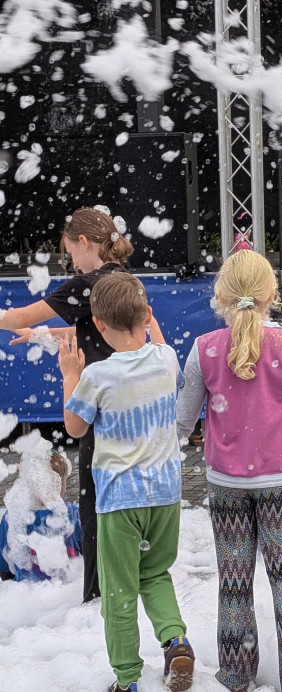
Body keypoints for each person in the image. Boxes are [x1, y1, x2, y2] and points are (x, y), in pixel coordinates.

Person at [176, 249, 282, 692]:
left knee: (235, 582)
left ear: (221, 295)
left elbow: (183, 423)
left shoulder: (203, 349)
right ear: (271, 295)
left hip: (226, 484)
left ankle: (236, 673)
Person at [0, 206, 164, 603]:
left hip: (100, 410)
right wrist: (41, 334)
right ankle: (138, 582)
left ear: (85, 243)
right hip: (135, 409)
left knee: (95, 509)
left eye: (70, 251)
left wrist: (19, 323)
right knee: (130, 506)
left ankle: (98, 595)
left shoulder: (86, 283)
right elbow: (93, 328)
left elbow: (20, 312)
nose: (70, 261)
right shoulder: (123, 278)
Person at [58, 271, 194, 692]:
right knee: (154, 573)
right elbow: (162, 354)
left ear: (98, 325)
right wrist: (151, 325)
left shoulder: (98, 375)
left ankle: (127, 682)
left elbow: (75, 426)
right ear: (148, 315)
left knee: (119, 589)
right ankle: (175, 641)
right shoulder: (167, 359)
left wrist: (69, 373)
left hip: (119, 500)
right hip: (166, 494)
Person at [0, 444, 82, 582]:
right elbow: (94, 557)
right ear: (60, 483)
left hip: (26, 596)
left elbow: (4, 569)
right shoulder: (73, 515)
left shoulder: (12, 517)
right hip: (68, 594)